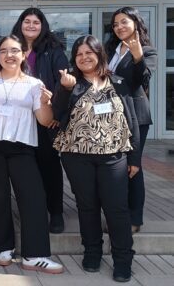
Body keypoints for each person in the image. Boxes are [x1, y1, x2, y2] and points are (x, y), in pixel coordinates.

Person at [0, 35, 63, 274]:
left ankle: (35, 255)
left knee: (33, 196)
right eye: (3, 51)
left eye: (14, 51)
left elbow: (44, 120)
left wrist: (46, 103)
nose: (9, 55)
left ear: (23, 55)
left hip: (22, 146)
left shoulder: (34, 84)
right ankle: (3, 247)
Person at [53, 35, 139, 283]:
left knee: (117, 208)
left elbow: (131, 120)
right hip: (76, 155)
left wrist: (135, 158)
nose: (83, 57)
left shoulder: (119, 82)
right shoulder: (71, 82)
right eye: (79, 54)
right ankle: (92, 252)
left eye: (89, 52)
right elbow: (57, 114)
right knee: (87, 206)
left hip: (113, 157)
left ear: (100, 54)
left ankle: (123, 260)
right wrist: (65, 88)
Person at [11, 7, 70, 233]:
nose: (31, 26)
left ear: (43, 25)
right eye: (27, 21)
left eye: (36, 22)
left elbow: (63, 85)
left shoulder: (53, 50)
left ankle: (55, 212)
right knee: (25, 167)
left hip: (44, 119)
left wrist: (56, 113)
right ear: (20, 24)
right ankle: (32, 210)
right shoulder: (12, 49)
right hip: (18, 118)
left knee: (49, 166)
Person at [105, 7, 157, 234]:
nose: (119, 27)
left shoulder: (147, 51)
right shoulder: (111, 49)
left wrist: (137, 57)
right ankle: (118, 214)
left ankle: (134, 218)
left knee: (133, 166)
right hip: (111, 115)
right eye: (115, 24)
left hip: (136, 115)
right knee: (116, 166)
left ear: (135, 23)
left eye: (124, 22)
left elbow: (142, 80)